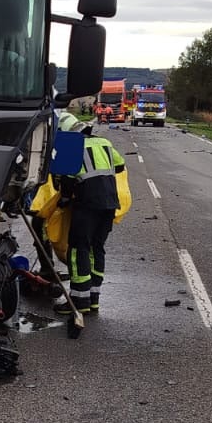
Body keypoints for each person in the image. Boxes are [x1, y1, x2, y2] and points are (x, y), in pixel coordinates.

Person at [52, 97, 129, 316]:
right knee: (97, 248)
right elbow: (120, 164)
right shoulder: (104, 143)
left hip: (87, 205)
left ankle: (78, 301)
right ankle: (94, 299)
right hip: (109, 203)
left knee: (78, 250)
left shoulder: (71, 147)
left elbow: (65, 179)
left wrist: (65, 199)